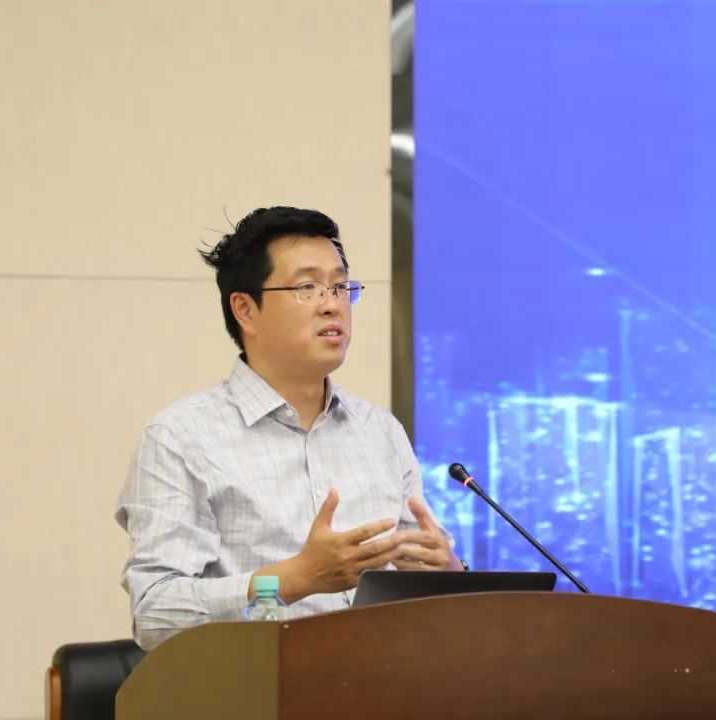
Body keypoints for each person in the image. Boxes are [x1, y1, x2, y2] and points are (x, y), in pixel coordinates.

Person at [116, 206, 462, 650]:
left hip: (381, 679)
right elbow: (155, 614)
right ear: (245, 310)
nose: (332, 304)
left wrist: (447, 570)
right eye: (307, 287)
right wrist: (297, 578)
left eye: (340, 286)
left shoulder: (380, 431)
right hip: (255, 684)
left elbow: (429, 584)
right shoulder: (181, 437)